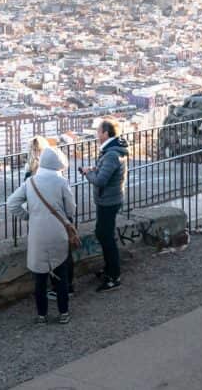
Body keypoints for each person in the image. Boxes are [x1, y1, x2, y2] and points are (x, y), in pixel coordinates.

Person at [6, 147, 76, 324]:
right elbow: (71, 209)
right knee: (61, 275)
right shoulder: (61, 182)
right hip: (59, 233)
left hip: (37, 235)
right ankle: (63, 314)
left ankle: (42, 315)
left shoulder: (31, 182)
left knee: (39, 279)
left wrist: (29, 217)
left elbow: (12, 203)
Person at [80, 119, 128, 293]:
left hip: (108, 201)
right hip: (110, 199)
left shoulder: (111, 154)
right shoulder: (112, 151)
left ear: (106, 133)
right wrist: (95, 169)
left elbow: (100, 180)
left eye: (98, 131)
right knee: (103, 234)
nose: (96, 134)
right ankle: (109, 270)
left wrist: (88, 173)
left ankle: (113, 276)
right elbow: (106, 171)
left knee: (105, 237)